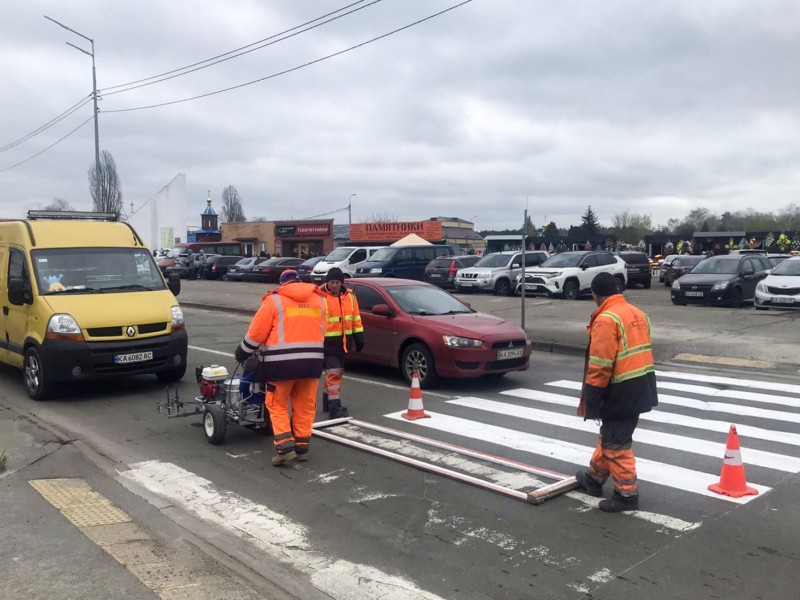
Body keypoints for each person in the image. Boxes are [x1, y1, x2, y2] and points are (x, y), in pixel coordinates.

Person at [575, 272, 658, 512]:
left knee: (616, 445)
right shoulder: (637, 313)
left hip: (619, 390)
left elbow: (600, 365)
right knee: (612, 436)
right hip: (641, 385)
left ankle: (626, 495)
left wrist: (593, 397)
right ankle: (594, 479)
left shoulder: (606, 319)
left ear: (595, 294)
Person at [235, 269, 326, 465]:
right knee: (305, 405)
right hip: (312, 363)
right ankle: (302, 448)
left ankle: (284, 448)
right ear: (299, 281)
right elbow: (323, 330)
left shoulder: (274, 300)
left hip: (281, 365)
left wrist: (241, 352)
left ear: (282, 283)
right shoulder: (319, 300)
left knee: (277, 404)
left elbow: (256, 334)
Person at [317, 267, 364, 418]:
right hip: (327, 343)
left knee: (335, 373)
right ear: (327, 282)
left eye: (337, 282)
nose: (334, 285)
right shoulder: (320, 297)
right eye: (332, 282)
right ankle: (334, 407)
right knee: (334, 374)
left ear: (341, 283)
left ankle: (327, 401)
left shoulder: (350, 296)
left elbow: (356, 318)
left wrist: (359, 337)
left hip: (343, 343)